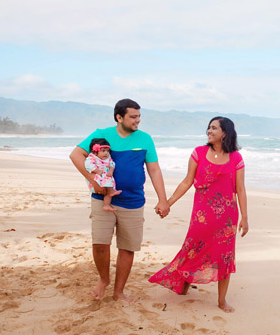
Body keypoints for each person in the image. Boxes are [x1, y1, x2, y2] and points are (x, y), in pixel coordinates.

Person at [70, 99, 170, 302]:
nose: (137, 120)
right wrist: (93, 181)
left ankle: (119, 291)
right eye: (133, 117)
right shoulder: (102, 134)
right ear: (119, 117)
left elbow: (154, 169)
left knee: (127, 247)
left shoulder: (145, 139)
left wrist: (163, 200)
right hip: (103, 199)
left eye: (139, 116)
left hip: (133, 201)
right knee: (100, 244)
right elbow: (76, 155)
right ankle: (104, 279)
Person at [148, 116, 248, 312]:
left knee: (224, 257)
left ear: (224, 133)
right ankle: (183, 283)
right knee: (193, 249)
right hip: (201, 216)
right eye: (209, 127)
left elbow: (240, 189)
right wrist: (167, 203)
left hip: (226, 218)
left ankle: (222, 300)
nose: (209, 131)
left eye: (214, 128)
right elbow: (187, 181)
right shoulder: (199, 153)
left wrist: (245, 217)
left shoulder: (236, 158)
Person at [84, 138, 122, 211]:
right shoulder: (92, 157)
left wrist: (111, 170)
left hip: (106, 177)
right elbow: (88, 165)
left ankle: (106, 205)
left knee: (108, 193)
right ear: (95, 152)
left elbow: (112, 163)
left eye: (107, 151)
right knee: (109, 188)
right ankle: (111, 192)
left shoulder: (108, 157)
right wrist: (96, 171)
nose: (106, 153)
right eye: (103, 151)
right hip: (98, 177)